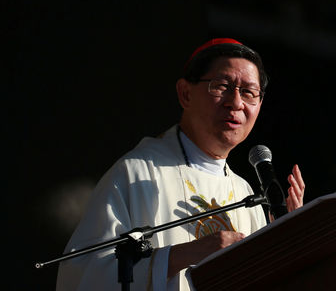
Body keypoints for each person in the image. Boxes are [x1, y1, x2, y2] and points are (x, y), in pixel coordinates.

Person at [56, 38, 305, 291]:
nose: (237, 102)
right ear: (185, 94)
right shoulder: (136, 173)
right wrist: (178, 257)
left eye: (249, 93)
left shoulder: (247, 195)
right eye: (222, 86)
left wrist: (286, 245)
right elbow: (80, 277)